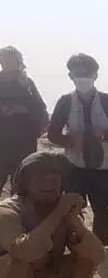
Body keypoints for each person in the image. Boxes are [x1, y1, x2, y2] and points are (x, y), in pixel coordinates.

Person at [0, 152, 105, 278]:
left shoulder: (63, 210)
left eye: (54, 179)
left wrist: (75, 222)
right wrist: (57, 213)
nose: (49, 184)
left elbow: (98, 255)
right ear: (25, 183)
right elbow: (25, 252)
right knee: (17, 264)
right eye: (41, 179)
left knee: (85, 259)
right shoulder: (8, 210)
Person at [47, 53, 108, 246]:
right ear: (70, 76)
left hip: (105, 167)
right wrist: (70, 140)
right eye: (78, 74)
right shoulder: (65, 102)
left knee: (103, 211)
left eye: (87, 74)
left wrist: (105, 134)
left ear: (96, 76)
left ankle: (99, 246)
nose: (83, 78)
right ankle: (73, 246)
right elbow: (52, 133)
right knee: (71, 209)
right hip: (74, 165)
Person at [0, 46, 48, 194]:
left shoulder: (26, 84)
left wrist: (22, 110)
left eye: (10, 59)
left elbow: (40, 108)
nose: (7, 62)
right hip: (2, 141)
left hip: (23, 141)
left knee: (22, 185)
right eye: (4, 59)